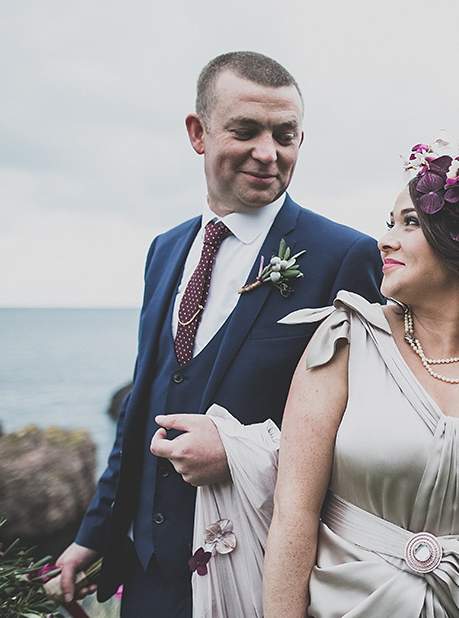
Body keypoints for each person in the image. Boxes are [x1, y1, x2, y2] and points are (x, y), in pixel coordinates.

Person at [54, 51, 383, 618]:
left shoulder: (343, 256)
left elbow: (368, 431)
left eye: (286, 135)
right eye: (246, 131)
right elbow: (142, 403)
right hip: (148, 576)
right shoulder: (164, 250)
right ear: (197, 133)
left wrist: (240, 452)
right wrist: (96, 531)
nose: (268, 153)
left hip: (260, 576)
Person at [262, 134, 459, 617]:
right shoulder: (345, 342)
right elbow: (294, 515)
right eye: (389, 223)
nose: (384, 239)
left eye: (409, 222)